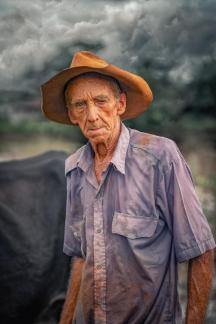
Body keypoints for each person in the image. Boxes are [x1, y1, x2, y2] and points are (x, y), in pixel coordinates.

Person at [41, 51, 215, 324]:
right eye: (80, 105)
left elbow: (201, 251)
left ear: (120, 104)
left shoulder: (159, 157)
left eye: (101, 101)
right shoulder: (74, 168)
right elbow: (79, 258)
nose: (92, 115)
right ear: (72, 114)